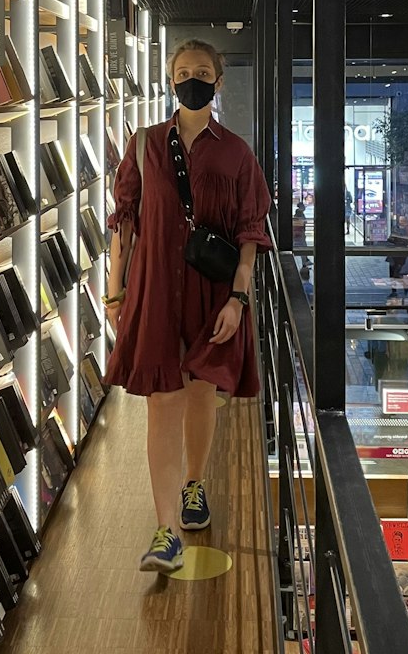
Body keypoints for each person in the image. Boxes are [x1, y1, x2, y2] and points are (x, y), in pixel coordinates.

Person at [102, 39, 271, 573]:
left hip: (212, 292)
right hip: (154, 289)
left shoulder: (237, 153)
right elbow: (124, 219)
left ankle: (194, 485)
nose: (192, 79)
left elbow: (250, 232)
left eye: (202, 72)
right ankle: (165, 531)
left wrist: (239, 300)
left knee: (200, 393)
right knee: (160, 401)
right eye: (183, 72)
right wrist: (114, 288)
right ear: (170, 80)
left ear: (218, 82)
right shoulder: (145, 144)